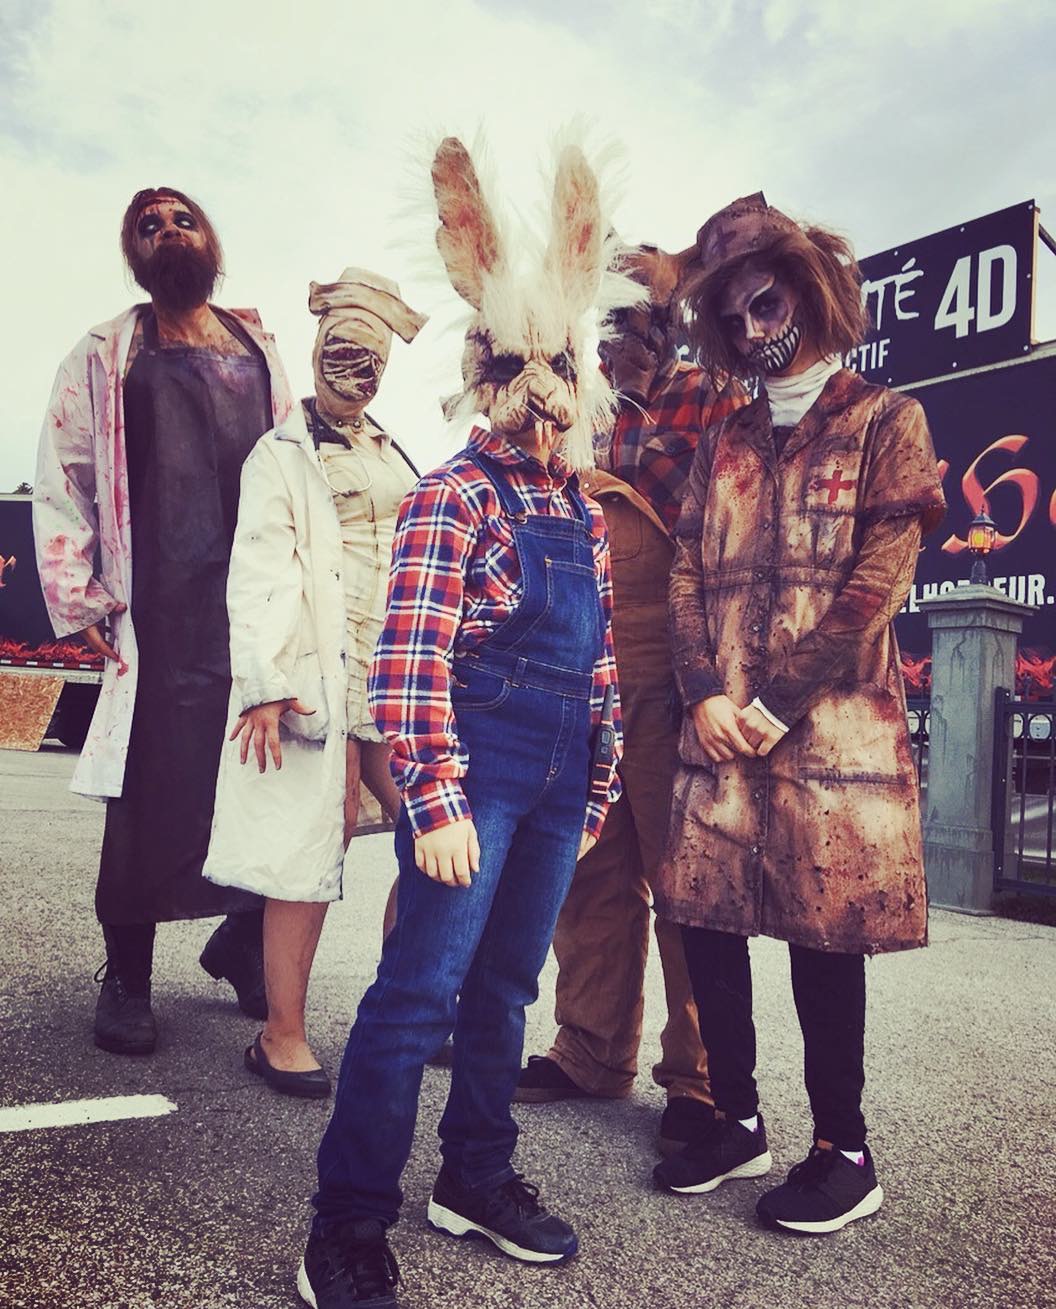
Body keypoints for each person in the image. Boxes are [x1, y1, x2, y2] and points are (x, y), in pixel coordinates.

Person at [296, 135, 642, 1309]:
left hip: (552, 792)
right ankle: (346, 1222)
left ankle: (476, 1178)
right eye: (519, 361)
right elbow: (408, 660)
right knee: (417, 993)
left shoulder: (585, 515)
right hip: (474, 781)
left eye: (564, 362)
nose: (545, 389)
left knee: (506, 992)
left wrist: (593, 795)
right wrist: (435, 798)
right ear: (483, 366)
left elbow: (599, 671)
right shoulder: (452, 494)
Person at [651, 193, 946, 1234]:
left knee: (825, 933)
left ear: (807, 288)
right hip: (722, 721)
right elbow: (683, 573)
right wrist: (704, 694)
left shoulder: (885, 420)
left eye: (759, 294)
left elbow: (880, 578)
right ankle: (735, 1114)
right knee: (708, 912)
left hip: (830, 733)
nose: (744, 319)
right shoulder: (722, 440)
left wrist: (773, 704)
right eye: (725, 306)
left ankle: (844, 1149)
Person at [34, 187, 294, 1056]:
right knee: (149, 798)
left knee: (264, 786)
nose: (169, 231)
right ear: (133, 256)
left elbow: (296, 470)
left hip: (248, 610)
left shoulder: (261, 345)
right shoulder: (107, 353)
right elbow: (63, 472)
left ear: (211, 239)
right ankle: (129, 974)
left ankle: (242, 945)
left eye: (182, 217)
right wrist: (80, 597)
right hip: (156, 615)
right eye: (149, 225)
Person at [514, 240, 747, 1156]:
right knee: (592, 869)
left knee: (683, 874)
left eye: (635, 320)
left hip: (671, 658)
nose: (621, 340)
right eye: (606, 322)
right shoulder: (574, 406)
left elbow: (727, 533)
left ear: (666, 321)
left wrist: (713, 676)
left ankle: (700, 1078)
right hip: (584, 657)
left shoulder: (710, 396)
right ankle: (591, 1048)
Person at [204, 268, 426, 1098]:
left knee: (429, 827)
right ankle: (280, 1032)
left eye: (371, 358)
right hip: (317, 671)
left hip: (398, 670)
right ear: (316, 349)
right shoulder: (280, 453)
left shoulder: (389, 448)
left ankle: (409, 1007)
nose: (355, 369)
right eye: (341, 351)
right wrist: (264, 679)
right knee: (317, 839)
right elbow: (259, 569)